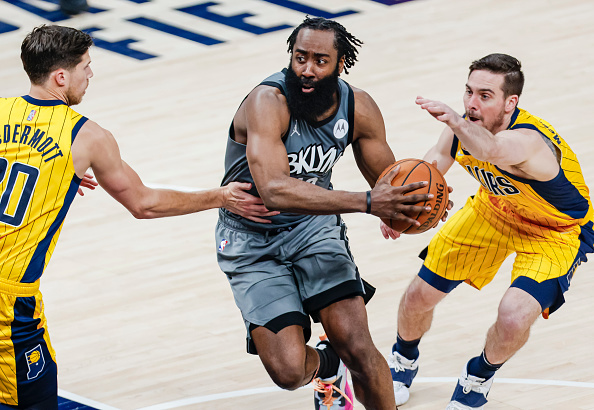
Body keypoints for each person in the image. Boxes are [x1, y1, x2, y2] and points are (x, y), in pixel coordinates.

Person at [0, 24, 274, 409]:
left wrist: (53, 176)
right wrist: (220, 196)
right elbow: (144, 203)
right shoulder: (87, 137)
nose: (90, 75)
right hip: (10, 303)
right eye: (86, 67)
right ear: (61, 76)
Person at [215, 16, 443, 410]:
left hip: (314, 231)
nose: (307, 69)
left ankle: (344, 360)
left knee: (359, 347)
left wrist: (415, 204)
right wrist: (369, 204)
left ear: (341, 64)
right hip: (251, 242)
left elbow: (386, 182)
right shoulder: (266, 102)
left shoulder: (358, 106)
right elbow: (273, 189)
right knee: (287, 371)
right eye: (300, 57)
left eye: (320, 60)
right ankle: (326, 364)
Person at [387, 53, 594, 409]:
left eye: (485, 95)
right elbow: (431, 165)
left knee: (514, 316)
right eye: (468, 92)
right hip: (494, 211)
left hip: (555, 232)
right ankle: (403, 360)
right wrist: (397, 206)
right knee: (418, 296)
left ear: (510, 102)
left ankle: (478, 377)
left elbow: (493, 149)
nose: (471, 103)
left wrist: (455, 120)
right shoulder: (462, 126)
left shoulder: (530, 141)